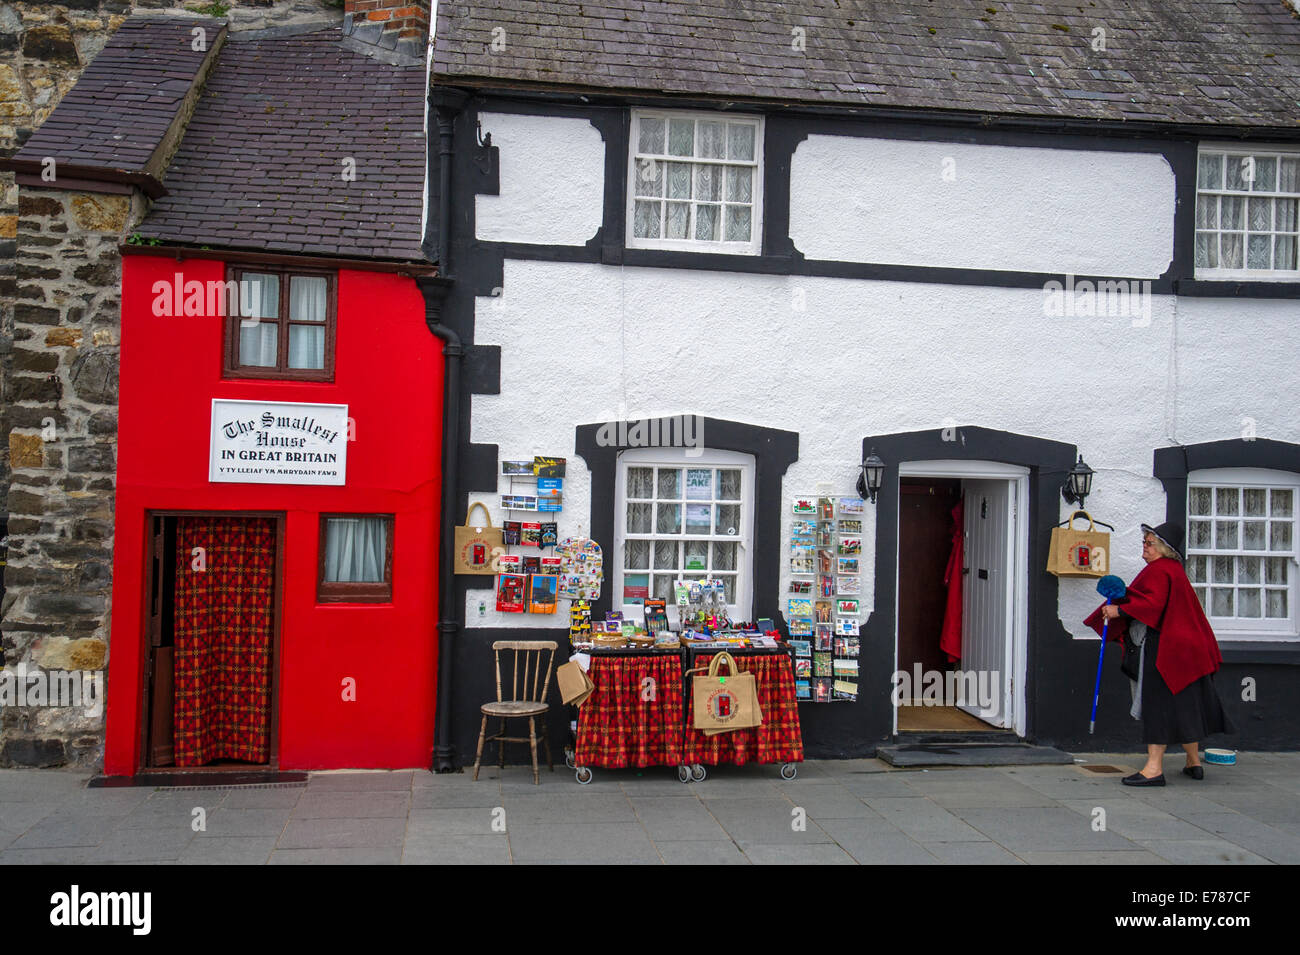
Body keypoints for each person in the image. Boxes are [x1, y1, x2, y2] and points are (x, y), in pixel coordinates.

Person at [1084, 521, 1233, 786]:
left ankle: (1153, 769)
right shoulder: (1174, 571)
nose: (1145, 547)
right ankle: (1193, 761)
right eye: (1145, 542)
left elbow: (1152, 605)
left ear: (1164, 549)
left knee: (1157, 705)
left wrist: (1118, 611)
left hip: (1165, 649)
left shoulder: (1159, 570)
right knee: (1186, 703)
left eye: (1149, 543)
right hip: (1189, 650)